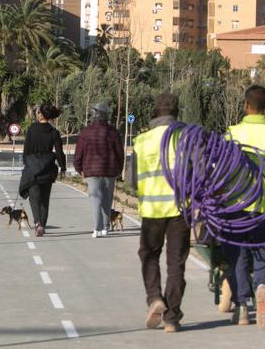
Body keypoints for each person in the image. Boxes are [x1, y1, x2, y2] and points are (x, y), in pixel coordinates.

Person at [222, 85, 265, 330]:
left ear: (245, 105)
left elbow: (222, 172)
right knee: (262, 252)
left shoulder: (232, 134)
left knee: (238, 255)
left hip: (236, 205)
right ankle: (262, 284)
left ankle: (242, 307)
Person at [131, 93, 189, 334]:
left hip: (152, 210)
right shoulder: (187, 138)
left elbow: (133, 180)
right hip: (180, 209)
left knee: (149, 254)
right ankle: (172, 317)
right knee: (176, 263)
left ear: (155, 113)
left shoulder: (141, 141)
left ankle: (155, 297)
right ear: (176, 114)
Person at [74, 102, 124, 238]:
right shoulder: (113, 132)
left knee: (95, 199)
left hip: (91, 171)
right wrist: (119, 169)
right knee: (107, 200)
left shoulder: (85, 132)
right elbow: (120, 153)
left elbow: (79, 153)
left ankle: (97, 228)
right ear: (106, 115)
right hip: (110, 171)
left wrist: (79, 168)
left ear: (94, 114)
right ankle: (106, 228)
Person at [19, 104, 66, 237]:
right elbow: (59, 152)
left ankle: (38, 223)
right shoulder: (54, 132)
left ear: (40, 115)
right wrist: (63, 168)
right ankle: (42, 226)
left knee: (34, 198)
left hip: (33, 169)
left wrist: (26, 164)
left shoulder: (32, 129)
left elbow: (26, 149)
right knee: (45, 199)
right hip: (47, 168)